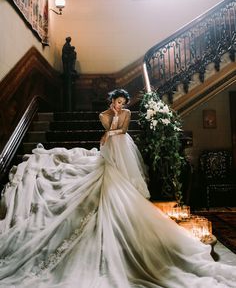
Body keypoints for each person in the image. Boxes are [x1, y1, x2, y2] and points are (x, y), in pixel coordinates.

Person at [0, 89, 235, 288]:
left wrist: (111, 129)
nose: (120, 105)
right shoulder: (103, 114)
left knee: (125, 173)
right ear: (112, 101)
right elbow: (109, 125)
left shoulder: (128, 112)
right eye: (117, 102)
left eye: (123, 102)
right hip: (111, 146)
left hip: (121, 143)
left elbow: (122, 130)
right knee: (106, 171)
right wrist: (110, 121)